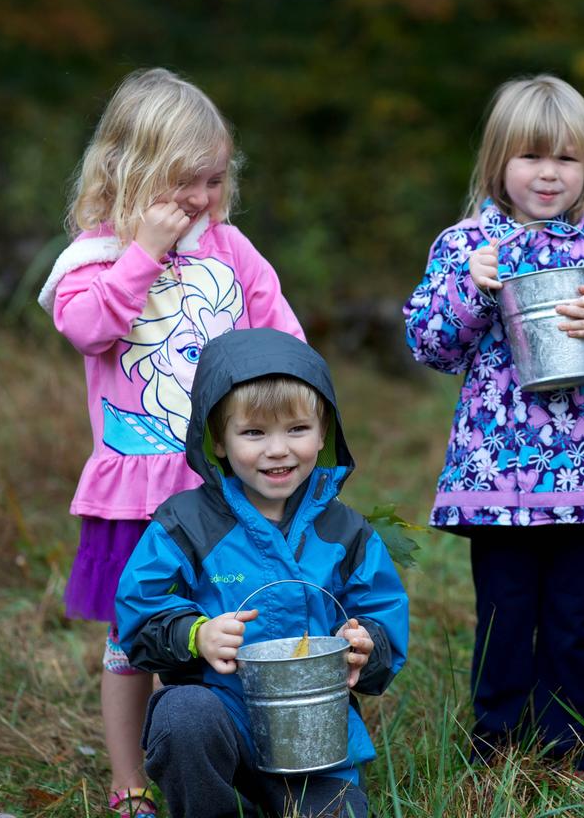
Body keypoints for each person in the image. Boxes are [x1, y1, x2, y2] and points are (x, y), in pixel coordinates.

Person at [36, 68, 304, 816]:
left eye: (213, 180)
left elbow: (280, 333)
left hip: (221, 491)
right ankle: (127, 784)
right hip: (135, 497)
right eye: (182, 181)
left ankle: (233, 761)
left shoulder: (231, 250)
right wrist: (144, 252)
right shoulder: (96, 255)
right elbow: (88, 328)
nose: (199, 199)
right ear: (126, 168)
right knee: (134, 643)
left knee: (228, 631)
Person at [402, 74, 584, 773]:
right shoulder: (468, 244)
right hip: (497, 474)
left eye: (566, 158)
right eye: (531, 156)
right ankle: (496, 743)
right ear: (498, 161)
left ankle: (572, 746)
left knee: (574, 617)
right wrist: (471, 287)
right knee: (504, 613)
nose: (549, 173)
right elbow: (428, 343)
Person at [115, 327, 409, 818]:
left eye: (297, 429)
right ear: (219, 442)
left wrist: (367, 646)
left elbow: (381, 614)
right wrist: (196, 635)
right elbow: (139, 614)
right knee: (183, 714)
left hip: (313, 747)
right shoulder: (186, 524)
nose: (278, 450)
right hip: (220, 718)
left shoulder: (346, 530)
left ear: (324, 432)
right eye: (254, 433)